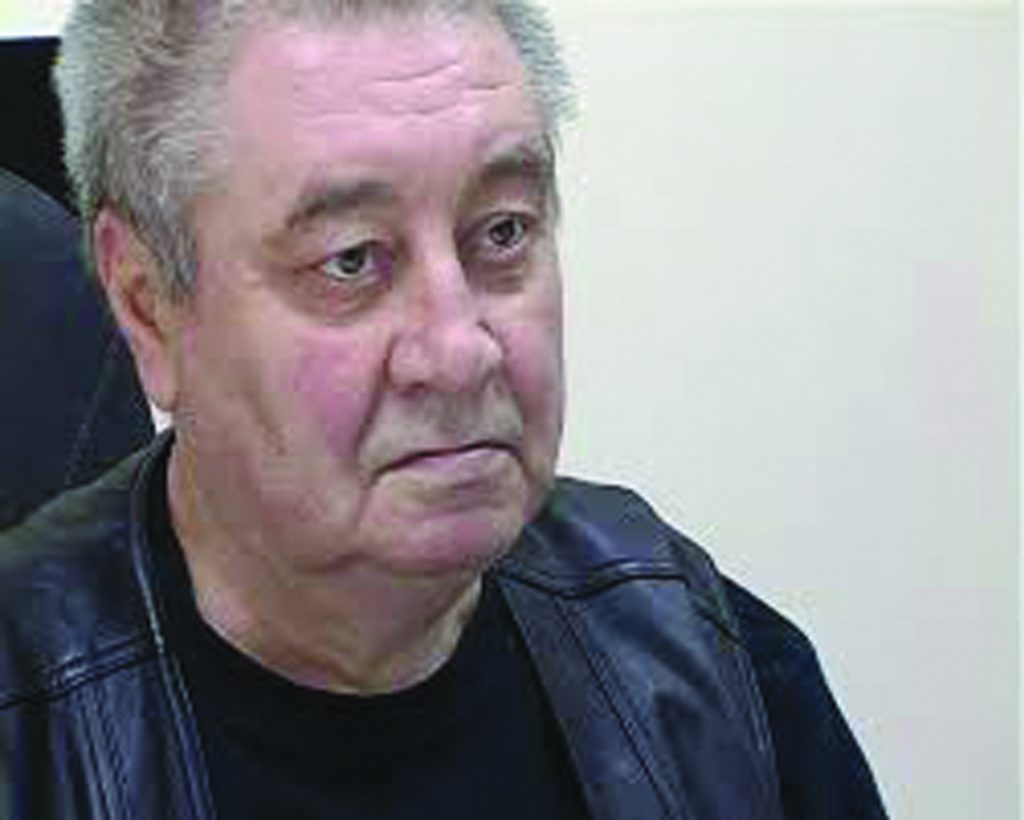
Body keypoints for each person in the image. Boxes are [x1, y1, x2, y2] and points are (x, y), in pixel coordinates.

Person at [0, 1, 888, 817]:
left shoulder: (706, 670)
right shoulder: (28, 732)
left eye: (503, 232)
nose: (462, 352)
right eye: (351, 259)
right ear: (147, 303)